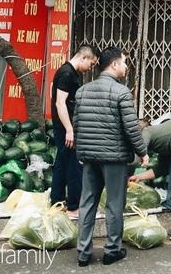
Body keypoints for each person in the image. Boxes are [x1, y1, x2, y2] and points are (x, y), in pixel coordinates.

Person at [73, 46, 149, 267]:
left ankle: (83, 253)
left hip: (89, 157)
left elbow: (78, 125)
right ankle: (112, 250)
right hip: (113, 158)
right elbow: (131, 129)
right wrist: (142, 153)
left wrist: (81, 152)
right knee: (114, 204)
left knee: (87, 203)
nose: (126, 66)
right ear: (114, 64)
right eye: (124, 62)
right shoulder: (121, 92)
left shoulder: (83, 91)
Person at [50, 44, 100, 219]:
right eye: (91, 64)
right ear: (84, 57)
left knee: (62, 164)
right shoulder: (67, 73)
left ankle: (57, 201)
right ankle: (73, 207)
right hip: (65, 128)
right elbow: (60, 103)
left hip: (63, 127)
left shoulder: (69, 72)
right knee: (73, 167)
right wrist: (69, 129)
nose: (90, 68)